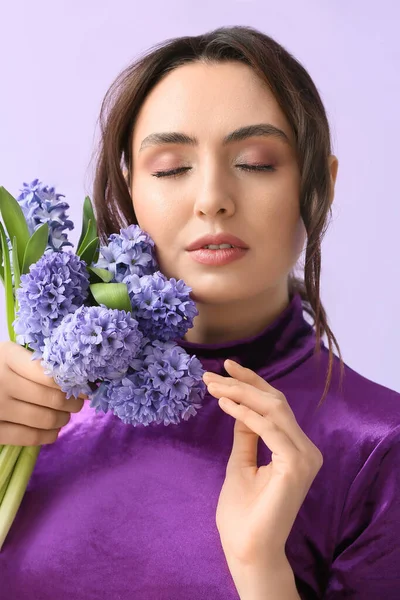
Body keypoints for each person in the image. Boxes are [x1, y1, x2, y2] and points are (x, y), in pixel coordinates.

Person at [0, 25, 399, 600]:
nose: (212, 196)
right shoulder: (35, 406)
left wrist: (262, 571)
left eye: (257, 162)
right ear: (129, 188)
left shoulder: (378, 451)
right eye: (170, 168)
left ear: (321, 186)